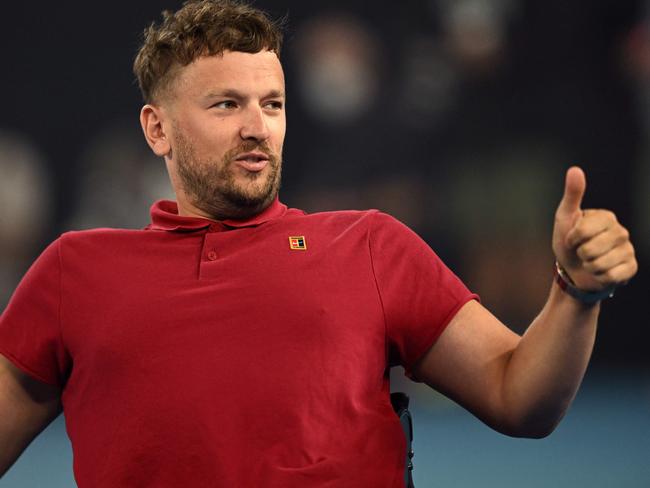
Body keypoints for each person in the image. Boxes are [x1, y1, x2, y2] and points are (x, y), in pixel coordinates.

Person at [0, 1, 638, 487]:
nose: (257, 128)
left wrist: (577, 293)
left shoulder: (369, 244)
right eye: (226, 105)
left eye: (272, 104)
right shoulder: (73, 272)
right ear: (157, 127)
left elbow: (519, 396)